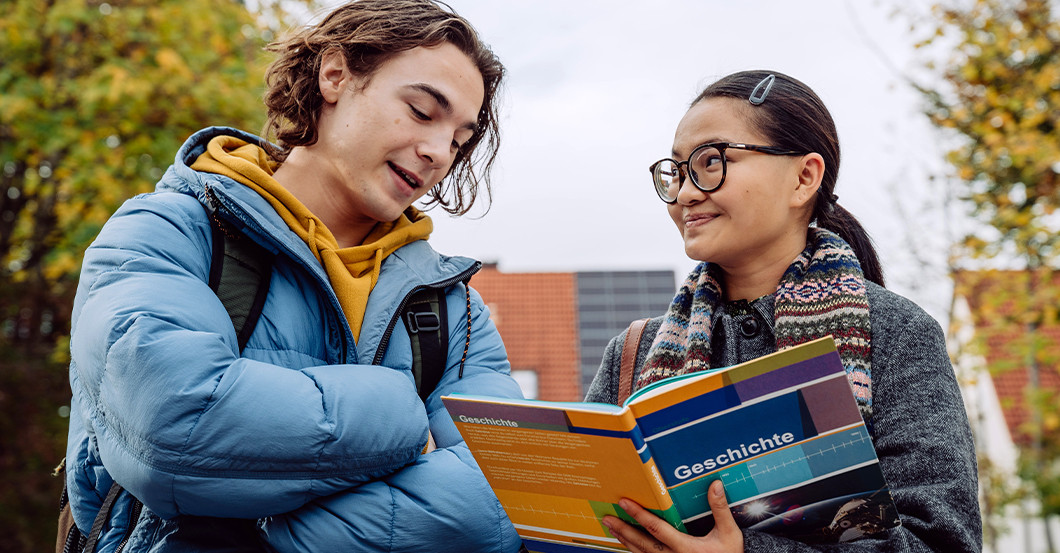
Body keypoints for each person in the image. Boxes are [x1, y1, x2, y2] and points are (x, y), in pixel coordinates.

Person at [61, 1, 525, 551]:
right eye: (423, 111)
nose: (436, 152)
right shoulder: (168, 231)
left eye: (458, 139)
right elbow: (173, 433)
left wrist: (265, 530)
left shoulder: (456, 311)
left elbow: (513, 489)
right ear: (335, 75)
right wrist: (404, 421)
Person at [584, 70, 981, 552]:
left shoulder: (897, 335)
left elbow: (942, 543)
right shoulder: (633, 352)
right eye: (676, 170)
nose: (685, 193)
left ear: (803, 177)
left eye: (711, 162)